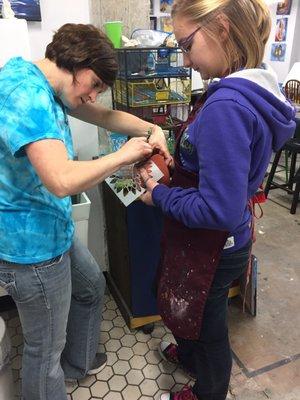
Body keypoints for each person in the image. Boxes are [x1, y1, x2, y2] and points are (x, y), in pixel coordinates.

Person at [0, 23, 170, 400]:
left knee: (91, 286)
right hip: (31, 248)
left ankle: (76, 363)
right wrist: (123, 155)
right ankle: (54, 376)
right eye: (92, 84)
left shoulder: (49, 81)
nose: (92, 96)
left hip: (52, 224)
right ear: (74, 63)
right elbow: (60, 178)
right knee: (43, 353)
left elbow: (105, 118)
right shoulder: (27, 95)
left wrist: (149, 129)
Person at [139, 1, 296, 400]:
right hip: (225, 238)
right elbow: (226, 170)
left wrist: (160, 195)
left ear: (222, 28)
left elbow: (218, 209)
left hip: (214, 244)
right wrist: (185, 162)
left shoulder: (226, 105)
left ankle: (209, 391)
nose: (187, 60)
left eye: (187, 45)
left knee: (209, 330)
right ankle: (190, 354)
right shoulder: (251, 87)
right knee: (192, 313)